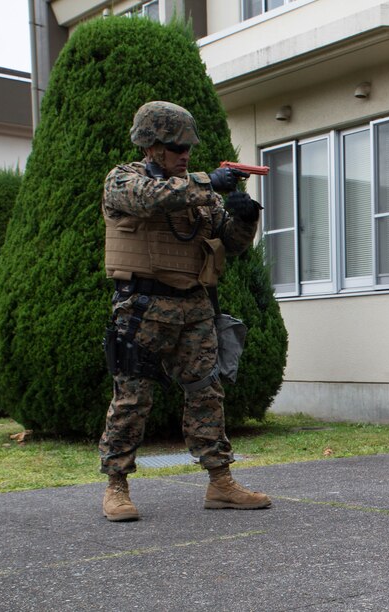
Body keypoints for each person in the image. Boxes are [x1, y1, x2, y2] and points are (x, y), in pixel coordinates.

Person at [98, 101, 270, 521]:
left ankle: (221, 483)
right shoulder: (124, 180)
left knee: (207, 395)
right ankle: (116, 486)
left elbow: (229, 241)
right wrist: (208, 181)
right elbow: (148, 200)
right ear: (152, 146)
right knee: (132, 399)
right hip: (142, 307)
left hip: (193, 307)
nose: (185, 154)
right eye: (176, 148)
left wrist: (245, 217)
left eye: (188, 147)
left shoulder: (197, 193)